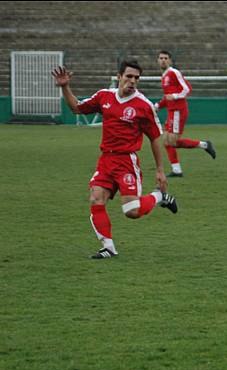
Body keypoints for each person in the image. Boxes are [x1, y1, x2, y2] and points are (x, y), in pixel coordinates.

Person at [51, 59, 178, 259]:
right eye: (129, 76)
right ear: (119, 77)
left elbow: (155, 137)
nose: (133, 81)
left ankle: (159, 197)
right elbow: (76, 107)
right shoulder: (104, 96)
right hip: (106, 160)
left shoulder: (143, 105)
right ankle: (108, 248)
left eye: (136, 78)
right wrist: (65, 87)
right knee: (96, 198)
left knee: (131, 211)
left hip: (127, 162)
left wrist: (160, 170)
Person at [155, 50, 216, 178]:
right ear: (157, 60)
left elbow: (187, 88)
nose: (163, 60)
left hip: (178, 111)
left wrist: (175, 96)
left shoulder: (174, 72)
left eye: (165, 58)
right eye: (161, 58)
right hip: (171, 111)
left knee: (170, 141)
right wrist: (158, 106)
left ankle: (203, 144)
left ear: (170, 60)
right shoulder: (164, 76)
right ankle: (177, 169)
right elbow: (168, 97)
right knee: (167, 141)